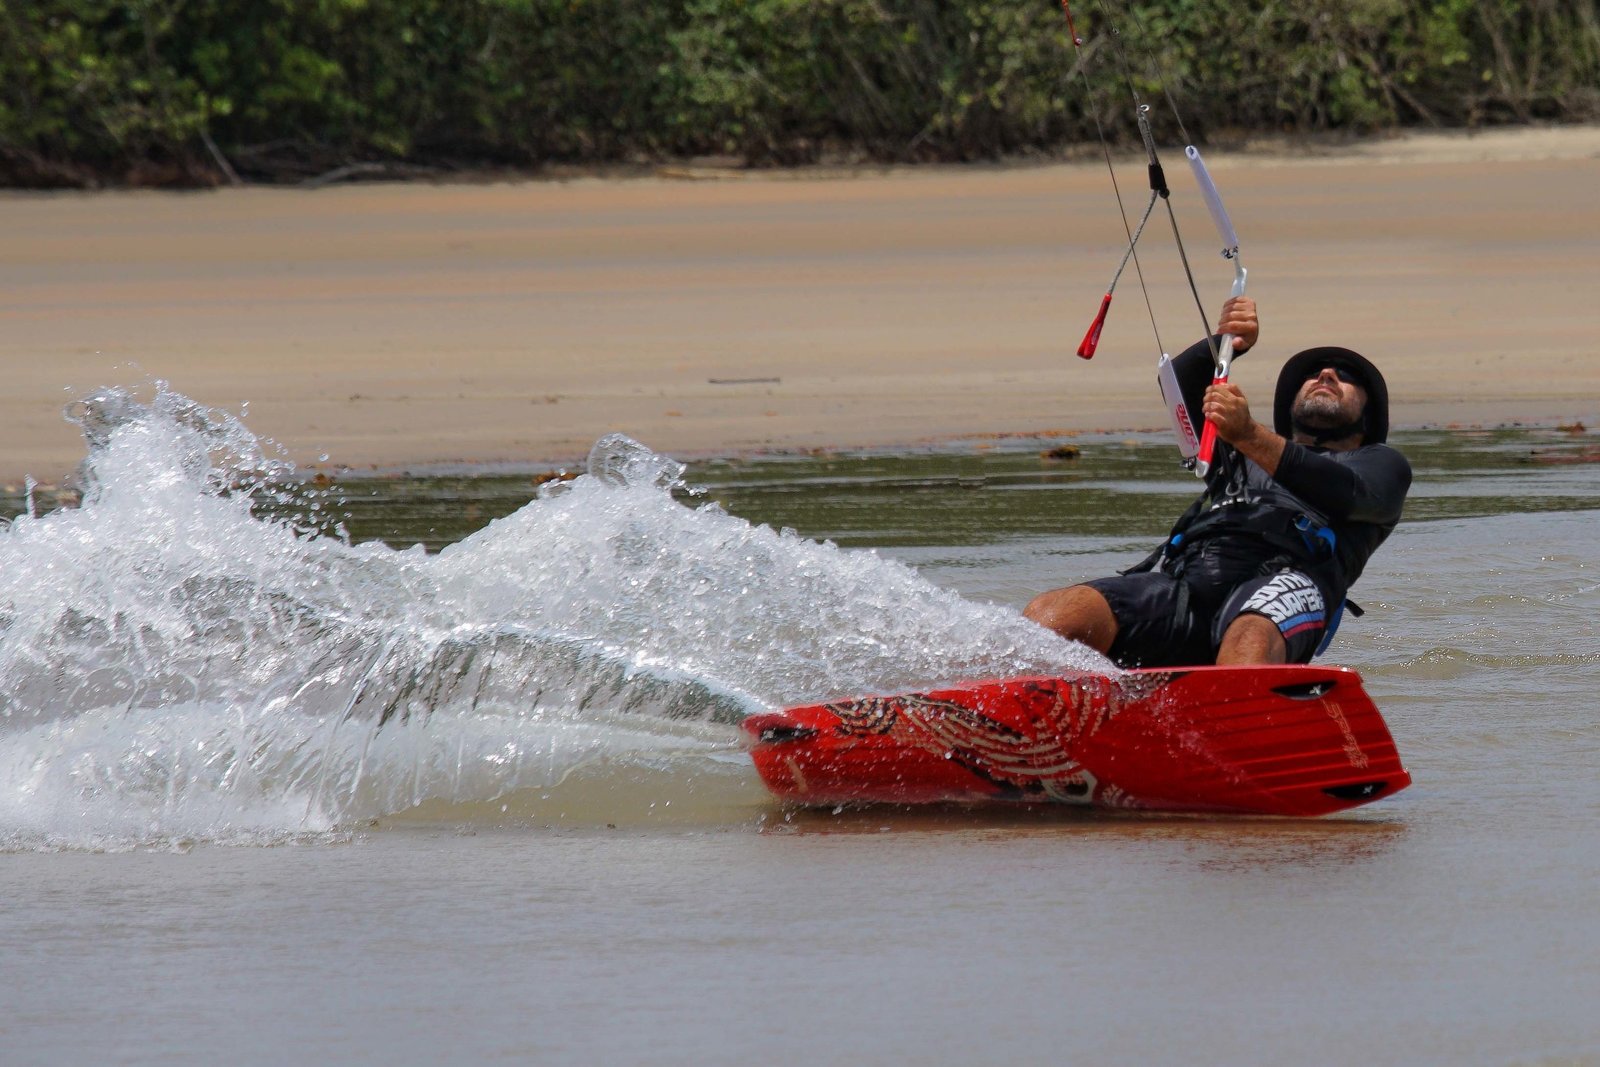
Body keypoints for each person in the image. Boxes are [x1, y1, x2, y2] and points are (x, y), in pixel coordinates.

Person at [1024, 296, 1411, 666]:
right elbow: (1178, 381)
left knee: (1249, 637)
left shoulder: (1380, 464)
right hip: (1187, 589)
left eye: (1346, 377)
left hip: (1287, 585)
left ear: (1368, 414)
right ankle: (1019, 706)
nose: (1326, 374)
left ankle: (1243, 708)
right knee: (1055, 614)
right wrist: (1228, 343)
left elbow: (1352, 495)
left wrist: (1250, 435)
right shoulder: (1235, 457)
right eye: (1314, 374)